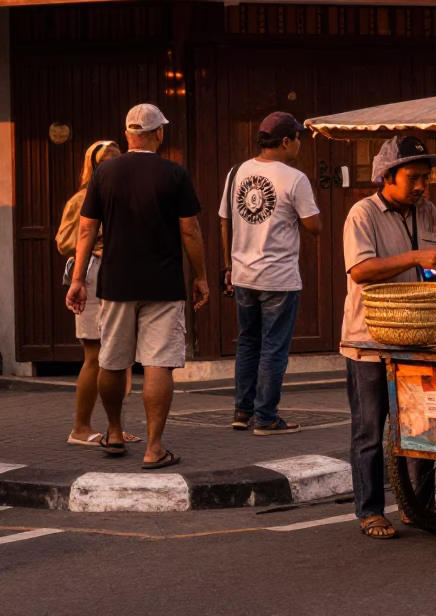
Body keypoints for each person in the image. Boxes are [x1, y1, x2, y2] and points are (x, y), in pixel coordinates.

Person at [66, 104, 209, 469]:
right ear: (158, 133)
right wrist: (201, 276)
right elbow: (190, 230)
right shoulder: (174, 173)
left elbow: (86, 229)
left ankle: (113, 432)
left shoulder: (104, 173)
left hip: (115, 282)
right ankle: (154, 447)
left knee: (111, 361)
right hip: (163, 283)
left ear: (128, 134)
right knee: (159, 363)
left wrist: (79, 278)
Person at [339, 135, 436, 540]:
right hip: (367, 342)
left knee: (422, 426)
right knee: (371, 431)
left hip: (419, 341)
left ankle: (416, 505)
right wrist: (415, 258)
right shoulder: (362, 214)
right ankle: (370, 510)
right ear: (386, 176)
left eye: (426, 177)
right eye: (413, 177)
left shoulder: (428, 213)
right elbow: (361, 271)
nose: (422, 186)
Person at [220, 112, 323, 434]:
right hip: (279, 277)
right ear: (285, 141)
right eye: (298, 139)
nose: (299, 146)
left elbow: (225, 221)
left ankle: (242, 411)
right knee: (273, 346)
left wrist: (228, 266)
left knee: (248, 343)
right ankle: (266, 417)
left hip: (243, 275)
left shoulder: (236, 172)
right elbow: (314, 227)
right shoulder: (294, 178)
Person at [56, 139, 141, 448]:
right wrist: (100, 236)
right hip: (93, 275)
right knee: (94, 354)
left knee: (118, 355)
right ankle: (80, 427)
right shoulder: (82, 198)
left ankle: (114, 427)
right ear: (92, 165)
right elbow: (65, 241)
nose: (113, 165)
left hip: (119, 274)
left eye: (118, 159)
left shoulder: (124, 196)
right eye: (106, 160)